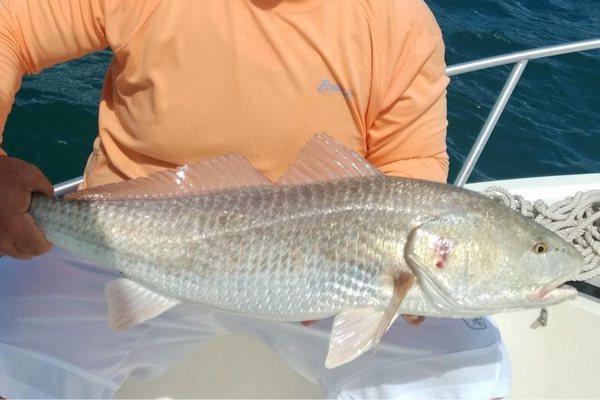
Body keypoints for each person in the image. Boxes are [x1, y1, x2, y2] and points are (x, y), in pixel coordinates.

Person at [0, 0, 511, 398]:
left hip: (331, 271)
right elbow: (12, 27)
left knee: (467, 374)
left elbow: (410, 170)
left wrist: (394, 279)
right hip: (121, 239)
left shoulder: (397, 22)